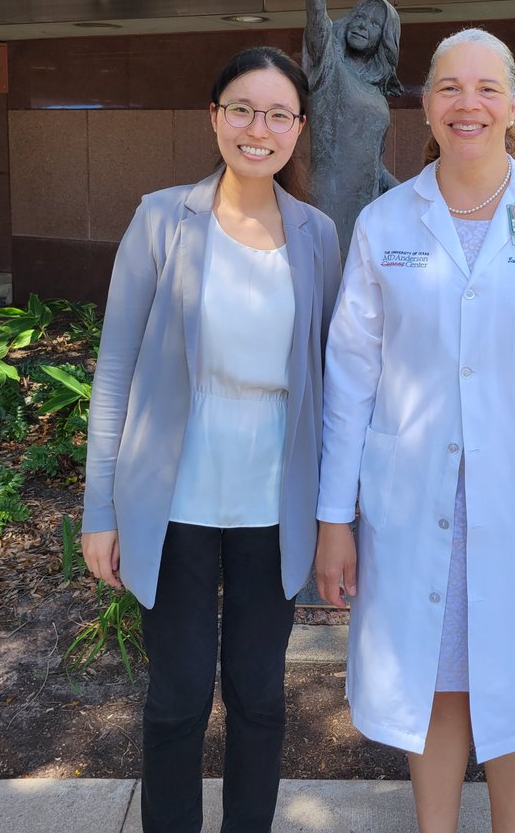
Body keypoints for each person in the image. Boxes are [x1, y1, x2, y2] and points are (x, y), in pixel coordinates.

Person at [315, 28, 515, 833]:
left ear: (513, 106)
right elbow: (349, 383)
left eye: (487, 88)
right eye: (450, 88)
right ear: (425, 106)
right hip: (415, 501)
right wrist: (334, 522)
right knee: (438, 674)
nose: (469, 103)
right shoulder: (385, 225)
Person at [81, 46, 341, 833]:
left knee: (260, 697)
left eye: (277, 114)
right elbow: (116, 367)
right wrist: (101, 509)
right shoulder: (163, 218)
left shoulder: (318, 234)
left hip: (274, 499)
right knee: (178, 697)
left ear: (299, 128)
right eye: (241, 109)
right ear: (215, 117)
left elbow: (333, 381)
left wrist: (339, 514)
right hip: (176, 497)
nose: (258, 129)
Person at [300, 0, 402, 256]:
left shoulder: (376, 90)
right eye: (359, 15)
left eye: (375, 23)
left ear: (385, 39)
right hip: (330, 199)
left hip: (368, 204)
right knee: (329, 295)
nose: (363, 24)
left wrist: (409, 192)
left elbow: (372, 163)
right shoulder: (329, 65)